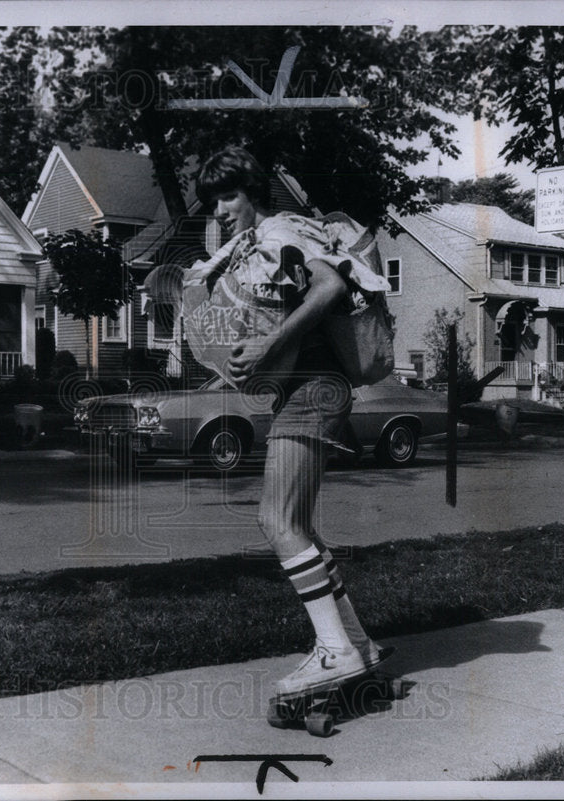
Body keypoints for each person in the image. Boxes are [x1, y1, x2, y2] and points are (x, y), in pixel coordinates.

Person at [195, 146, 386, 696]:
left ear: (253, 192)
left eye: (228, 196)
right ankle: (357, 643)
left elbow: (329, 288)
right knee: (298, 527)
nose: (220, 210)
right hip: (308, 390)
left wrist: (265, 348)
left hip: (315, 390)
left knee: (275, 521)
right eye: (213, 201)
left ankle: (335, 651)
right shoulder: (260, 242)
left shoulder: (281, 230)